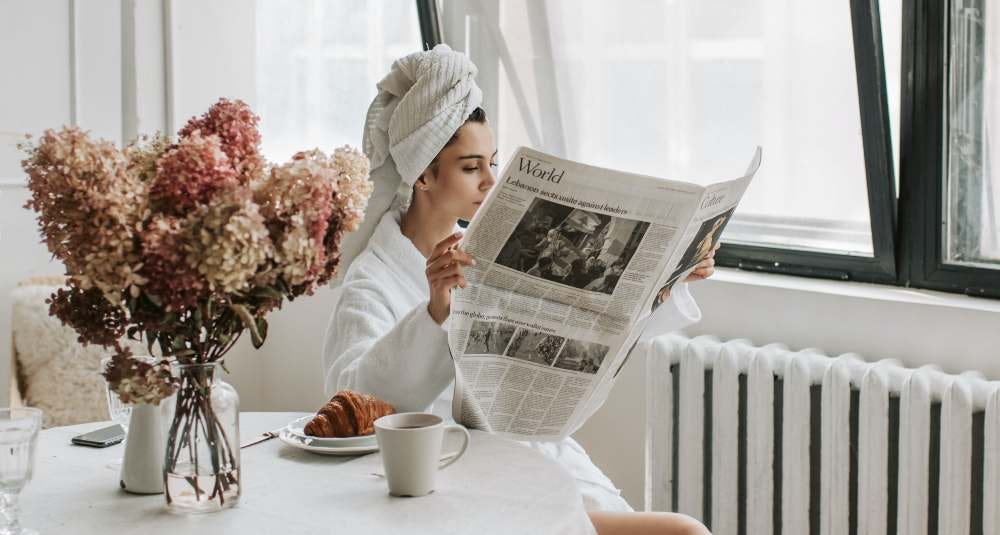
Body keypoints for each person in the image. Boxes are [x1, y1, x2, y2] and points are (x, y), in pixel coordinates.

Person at [323, 44, 714, 535]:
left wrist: (665, 282)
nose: (490, 180)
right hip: (457, 482)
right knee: (684, 531)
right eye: (471, 167)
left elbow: (588, 324)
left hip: (534, 458)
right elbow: (352, 404)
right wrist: (434, 313)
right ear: (422, 174)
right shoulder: (372, 280)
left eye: (493, 162)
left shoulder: (494, 252)